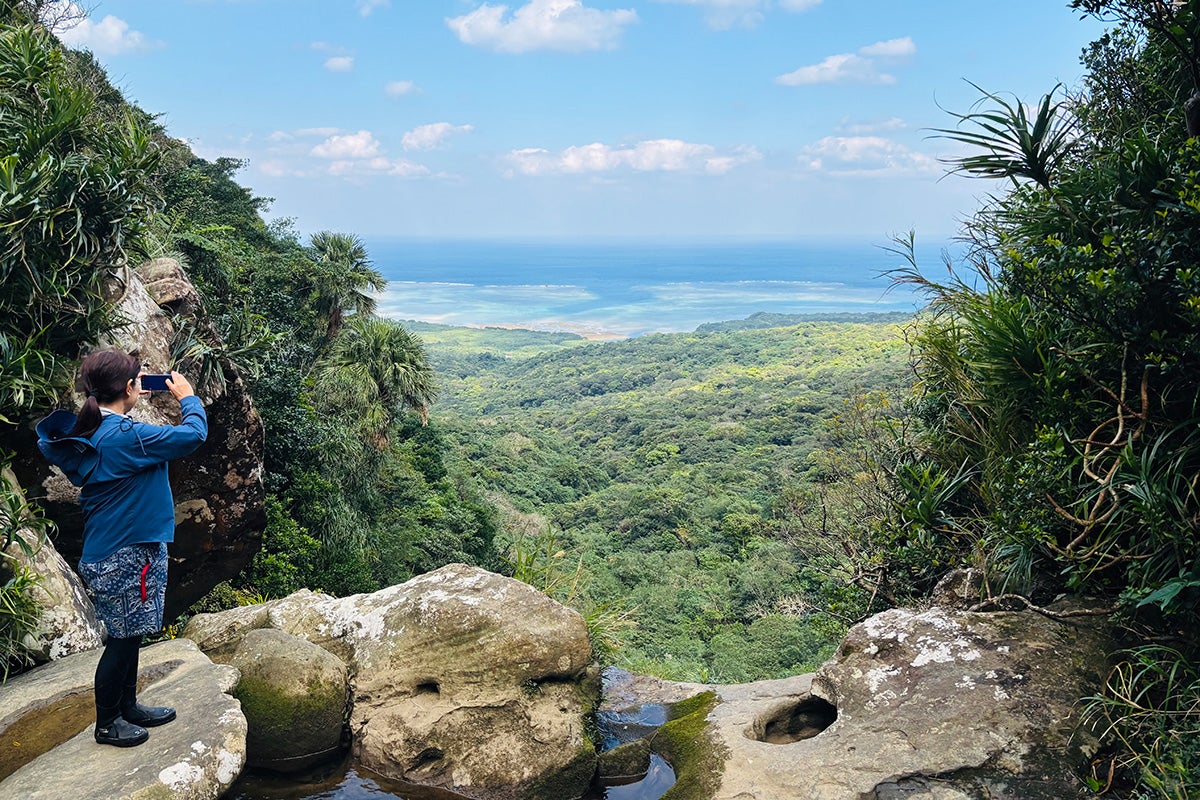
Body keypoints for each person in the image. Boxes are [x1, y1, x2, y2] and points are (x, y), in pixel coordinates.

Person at [36, 349, 207, 748]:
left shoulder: (95, 430)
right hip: (126, 552)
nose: (143, 380)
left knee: (131, 633)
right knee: (123, 639)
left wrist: (131, 400)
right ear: (130, 388)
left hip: (122, 547)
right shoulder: (124, 437)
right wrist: (187, 398)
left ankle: (128, 706)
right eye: (139, 378)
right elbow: (194, 435)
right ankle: (108, 723)